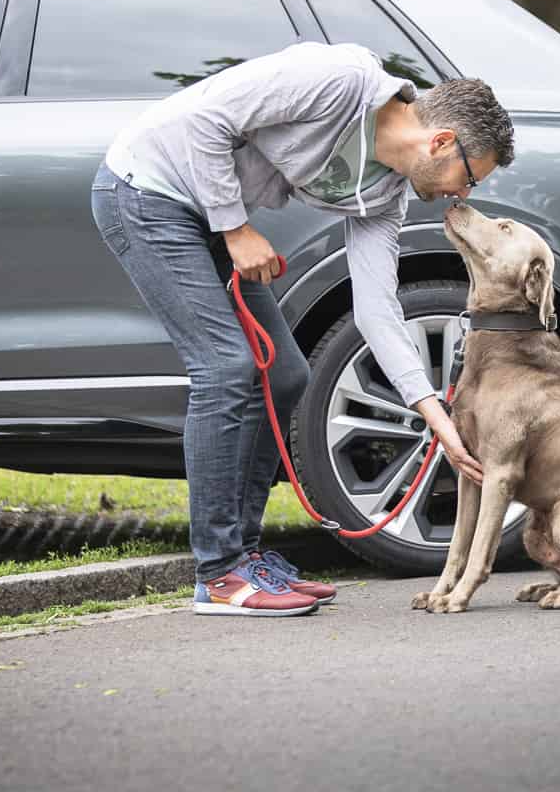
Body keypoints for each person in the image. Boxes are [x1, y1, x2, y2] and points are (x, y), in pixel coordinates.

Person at [90, 41, 514, 618]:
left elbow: (376, 309)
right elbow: (206, 119)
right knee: (225, 369)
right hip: (146, 190)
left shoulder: (384, 195)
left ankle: (243, 556)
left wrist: (434, 415)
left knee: (287, 375)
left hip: (207, 218)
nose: (462, 195)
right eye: (469, 177)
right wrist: (236, 229)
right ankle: (217, 573)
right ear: (442, 142)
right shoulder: (341, 79)